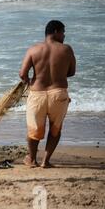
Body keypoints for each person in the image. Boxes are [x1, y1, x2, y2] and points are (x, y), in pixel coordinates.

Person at [19, 20, 76, 168]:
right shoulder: (66, 49)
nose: (64, 35)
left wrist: (30, 82)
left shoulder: (33, 49)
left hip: (37, 94)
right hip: (59, 94)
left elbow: (22, 74)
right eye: (63, 32)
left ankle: (31, 159)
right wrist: (59, 73)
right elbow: (72, 72)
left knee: (34, 130)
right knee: (55, 129)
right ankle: (45, 161)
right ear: (56, 31)